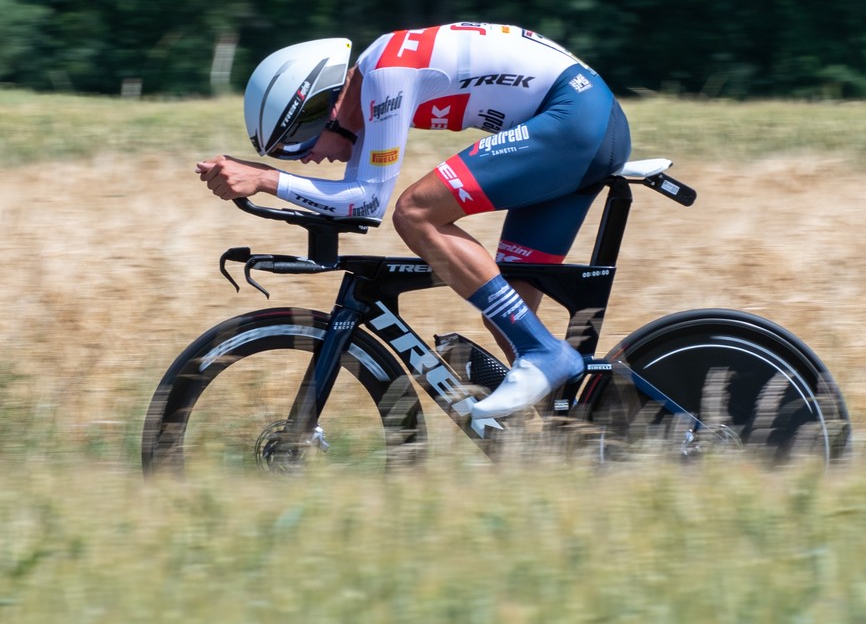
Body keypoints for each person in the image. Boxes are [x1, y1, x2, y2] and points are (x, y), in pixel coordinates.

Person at [194, 22, 631, 418]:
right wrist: (267, 177)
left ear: (324, 105)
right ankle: (578, 431)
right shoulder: (374, 82)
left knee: (416, 212)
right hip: (580, 122)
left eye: (296, 143)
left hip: (574, 118)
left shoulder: (386, 74)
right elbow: (352, 197)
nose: (307, 158)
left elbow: (367, 203)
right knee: (509, 313)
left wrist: (265, 178)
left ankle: (543, 354)